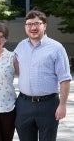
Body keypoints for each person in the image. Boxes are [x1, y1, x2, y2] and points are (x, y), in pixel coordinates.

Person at [14, 10, 72, 141]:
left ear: (44, 25)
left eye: (37, 24)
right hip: (24, 104)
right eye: (29, 24)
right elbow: (14, 68)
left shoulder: (57, 48)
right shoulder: (21, 46)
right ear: (25, 27)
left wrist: (62, 105)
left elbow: (65, 79)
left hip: (48, 105)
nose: (33, 27)